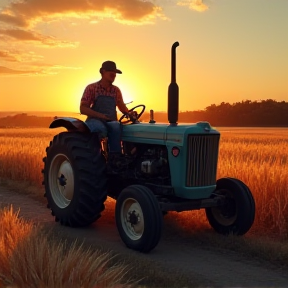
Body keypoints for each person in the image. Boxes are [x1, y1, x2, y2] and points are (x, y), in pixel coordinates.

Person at [80, 60, 131, 161]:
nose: (113, 74)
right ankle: (94, 158)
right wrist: (100, 115)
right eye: (110, 71)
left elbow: (121, 106)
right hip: (95, 120)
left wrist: (129, 113)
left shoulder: (116, 90)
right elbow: (83, 108)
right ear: (102, 72)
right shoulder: (92, 88)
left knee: (117, 127)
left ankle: (115, 158)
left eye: (115, 72)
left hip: (111, 121)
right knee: (99, 129)